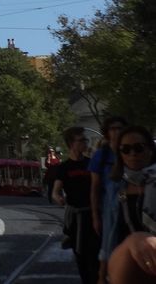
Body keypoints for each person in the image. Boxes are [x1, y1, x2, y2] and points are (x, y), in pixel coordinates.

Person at [53, 126, 100, 284]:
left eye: (85, 140)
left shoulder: (92, 163)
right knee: (81, 257)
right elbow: (56, 191)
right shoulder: (64, 167)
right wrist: (58, 198)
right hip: (75, 217)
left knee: (95, 257)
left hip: (93, 214)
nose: (85, 143)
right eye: (81, 140)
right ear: (71, 144)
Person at [93, 115, 130, 282]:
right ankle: (103, 278)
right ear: (107, 132)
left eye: (119, 128)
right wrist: (95, 216)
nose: (116, 132)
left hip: (132, 206)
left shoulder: (131, 149)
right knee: (108, 245)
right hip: (110, 208)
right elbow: (94, 188)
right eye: (112, 129)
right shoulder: (101, 155)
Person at [108, 126, 156, 251]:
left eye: (138, 148)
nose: (132, 153)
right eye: (125, 149)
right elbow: (112, 227)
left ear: (150, 150)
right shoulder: (116, 185)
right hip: (128, 257)